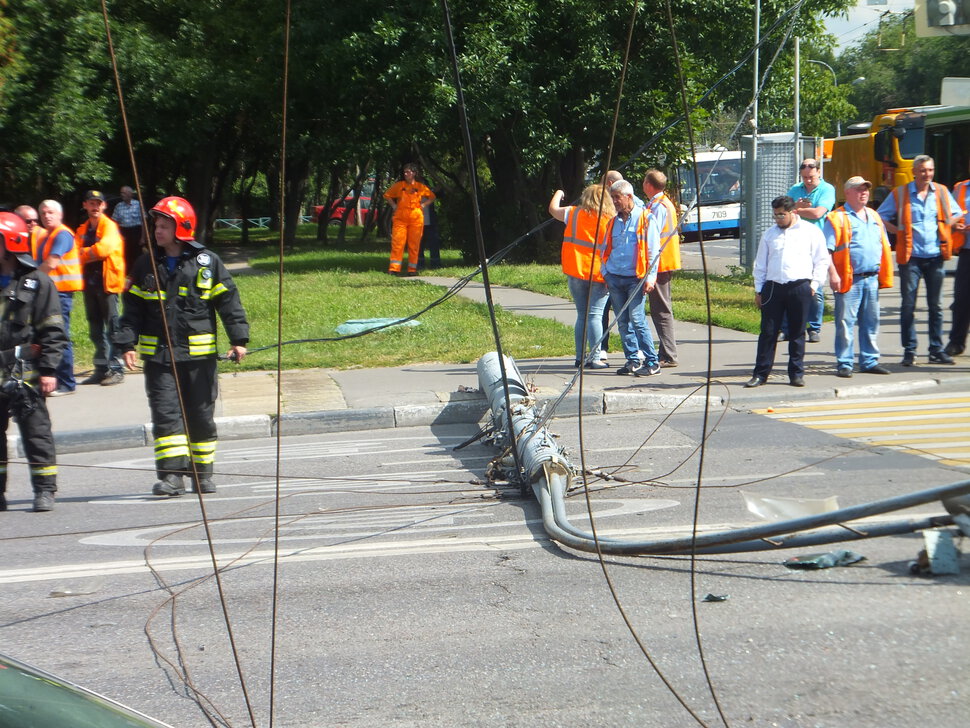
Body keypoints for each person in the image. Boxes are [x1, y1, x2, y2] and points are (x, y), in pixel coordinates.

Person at [116, 196, 249, 497]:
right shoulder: (146, 264)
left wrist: (238, 340)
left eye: (164, 226)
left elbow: (228, 302)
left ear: (182, 228)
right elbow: (132, 310)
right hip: (160, 358)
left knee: (200, 416)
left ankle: (201, 473)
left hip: (199, 358)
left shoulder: (207, 262)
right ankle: (172, 477)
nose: (157, 231)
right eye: (156, 225)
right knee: (167, 416)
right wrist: (126, 343)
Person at [0, 212, 68, 513]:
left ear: (10, 242)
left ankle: (44, 490)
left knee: (36, 432)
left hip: (24, 373)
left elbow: (53, 329)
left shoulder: (36, 282)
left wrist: (50, 369)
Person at [877, 154, 965, 366]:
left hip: (935, 256)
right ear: (915, 172)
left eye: (930, 170)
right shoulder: (901, 193)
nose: (927, 174)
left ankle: (936, 349)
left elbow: (957, 212)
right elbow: (880, 216)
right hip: (911, 258)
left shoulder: (942, 192)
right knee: (908, 305)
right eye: (923, 170)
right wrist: (897, 230)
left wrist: (949, 225)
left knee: (935, 306)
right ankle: (910, 350)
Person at [745, 196, 830, 388]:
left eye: (781, 215)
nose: (778, 219)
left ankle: (796, 374)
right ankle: (760, 374)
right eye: (775, 216)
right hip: (774, 287)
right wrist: (759, 290)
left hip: (800, 286)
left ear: (793, 212)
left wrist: (815, 285)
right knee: (768, 332)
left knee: (797, 332)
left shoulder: (810, 232)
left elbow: (822, 260)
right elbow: (760, 264)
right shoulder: (769, 234)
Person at [823, 177, 894, 378]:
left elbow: (884, 246)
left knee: (871, 322)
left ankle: (869, 361)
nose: (864, 193)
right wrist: (833, 274)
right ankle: (845, 363)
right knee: (845, 323)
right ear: (847, 193)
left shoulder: (874, 215)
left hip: (871, 278)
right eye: (859, 189)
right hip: (849, 279)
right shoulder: (836, 218)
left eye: (866, 189)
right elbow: (826, 251)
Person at [548, 184, 616, 369]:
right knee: (595, 316)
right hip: (600, 274)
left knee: (581, 315)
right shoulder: (610, 219)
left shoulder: (573, 213)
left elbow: (553, 210)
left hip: (576, 271)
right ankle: (595, 358)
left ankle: (579, 358)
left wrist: (559, 192)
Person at [602, 180, 661, 377]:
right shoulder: (612, 222)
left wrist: (650, 278)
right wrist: (605, 273)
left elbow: (653, 251)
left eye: (617, 198)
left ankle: (652, 361)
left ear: (628, 196)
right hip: (615, 278)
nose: (614, 202)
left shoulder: (645, 219)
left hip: (636, 279)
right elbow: (605, 249)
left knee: (637, 319)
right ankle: (633, 360)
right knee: (622, 321)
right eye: (612, 198)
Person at [75, 190, 126, 385]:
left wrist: (85, 252)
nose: (95, 206)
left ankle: (116, 369)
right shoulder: (82, 229)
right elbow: (74, 253)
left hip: (107, 285)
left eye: (98, 203)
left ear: (104, 206)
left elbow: (105, 249)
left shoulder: (110, 227)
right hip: (89, 285)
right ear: (85, 205)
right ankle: (101, 369)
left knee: (113, 328)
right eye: (91, 203)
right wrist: (92, 253)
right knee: (95, 330)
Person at [785, 158, 836, 343]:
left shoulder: (826, 189)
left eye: (811, 177)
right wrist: (795, 209)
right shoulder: (794, 189)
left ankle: (813, 328)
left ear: (819, 173)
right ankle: (787, 328)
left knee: (816, 288)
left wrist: (795, 210)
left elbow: (818, 213)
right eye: (805, 177)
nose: (807, 180)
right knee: (788, 285)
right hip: (794, 242)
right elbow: (783, 211)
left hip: (816, 243)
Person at [36, 200, 82, 395]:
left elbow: (52, 262)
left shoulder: (62, 234)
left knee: (60, 336)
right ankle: (56, 379)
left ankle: (67, 382)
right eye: (44, 213)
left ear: (60, 215)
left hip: (60, 293)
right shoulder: (47, 235)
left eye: (51, 212)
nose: (47, 216)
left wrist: (32, 280)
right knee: (51, 335)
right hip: (52, 292)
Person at [642, 169, 681, 367]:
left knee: (661, 310)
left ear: (649, 185)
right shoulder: (661, 202)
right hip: (663, 261)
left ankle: (668, 355)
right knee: (659, 309)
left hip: (660, 263)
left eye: (644, 181)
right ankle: (665, 352)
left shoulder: (659, 206)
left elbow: (652, 236)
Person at [383, 164, 435, 275]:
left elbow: (432, 196)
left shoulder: (420, 187)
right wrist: (393, 206)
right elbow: (387, 195)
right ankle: (394, 269)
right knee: (398, 243)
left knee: (414, 245)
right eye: (405, 172)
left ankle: (412, 270)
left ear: (414, 173)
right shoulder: (399, 186)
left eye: (408, 172)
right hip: (400, 218)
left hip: (416, 218)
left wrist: (424, 205)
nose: (406, 174)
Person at [944, 165, 970, 357]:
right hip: (967, 251)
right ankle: (956, 342)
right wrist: (956, 226)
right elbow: (950, 215)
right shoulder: (960, 188)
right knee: (961, 299)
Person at [111, 185, 144, 273]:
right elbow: (114, 223)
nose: (122, 195)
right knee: (125, 254)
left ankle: (137, 273)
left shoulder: (138, 204)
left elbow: (143, 221)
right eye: (121, 193)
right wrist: (118, 235)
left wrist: (143, 237)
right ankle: (125, 274)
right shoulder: (118, 206)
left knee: (136, 254)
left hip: (136, 232)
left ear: (130, 194)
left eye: (124, 193)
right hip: (124, 232)